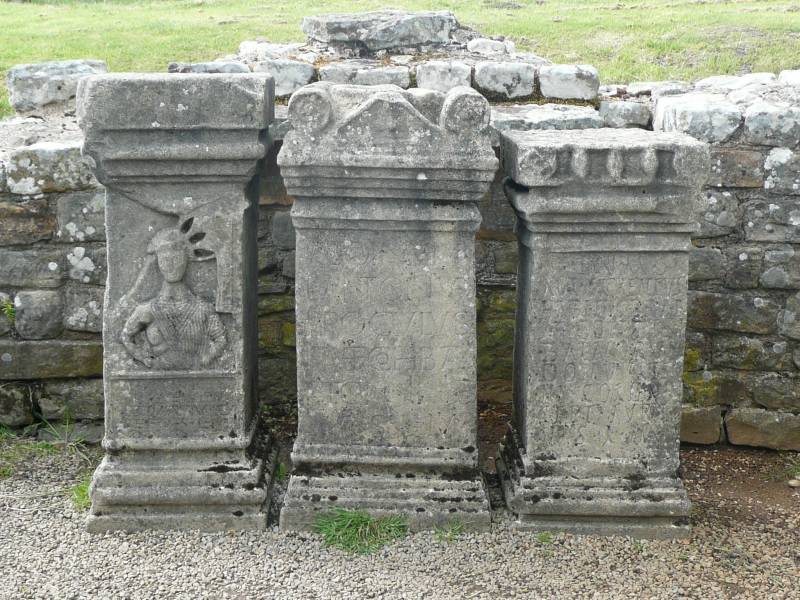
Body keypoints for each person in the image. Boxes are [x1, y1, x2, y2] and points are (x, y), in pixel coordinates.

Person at [121, 227, 226, 370]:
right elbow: (126, 336)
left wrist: (205, 360)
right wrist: (142, 357)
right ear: (157, 262)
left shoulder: (204, 309)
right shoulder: (146, 311)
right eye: (165, 259)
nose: (171, 266)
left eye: (176, 258)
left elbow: (220, 339)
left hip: (200, 380)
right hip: (155, 382)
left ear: (187, 260)